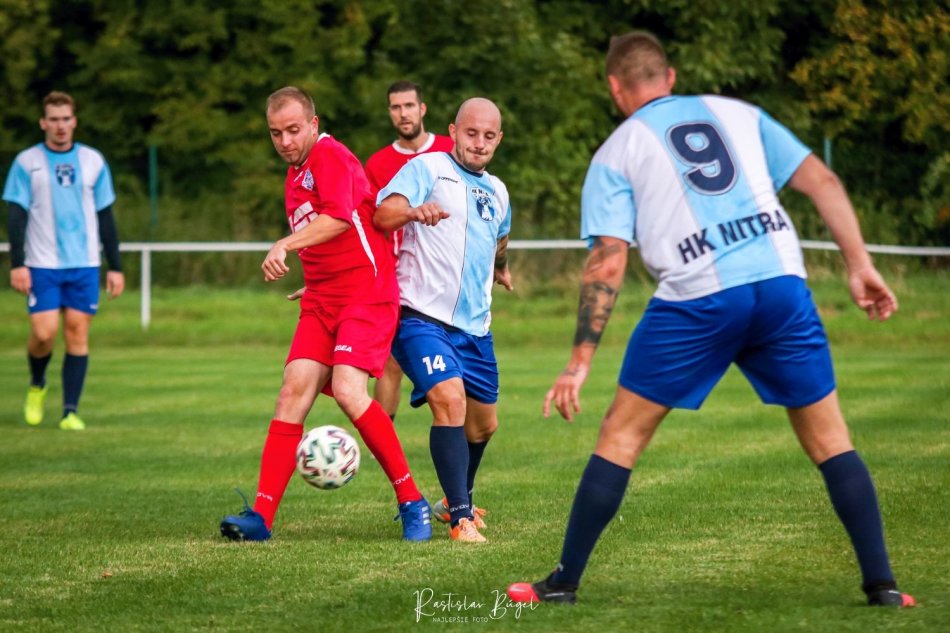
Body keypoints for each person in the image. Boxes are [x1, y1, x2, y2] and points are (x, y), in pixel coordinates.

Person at [507, 31, 914, 607]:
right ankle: (884, 587)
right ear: (670, 77)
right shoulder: (739, 113)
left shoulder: (616, 152)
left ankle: (563, 583)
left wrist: (579, 361)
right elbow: (823, 181)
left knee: (621, 435)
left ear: (615, 88)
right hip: (780, 286)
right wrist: (860, 265)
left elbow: (609, 260)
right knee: (831, 439)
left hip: (698, 299)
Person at [219, 86, 431, 543]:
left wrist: (283, 245)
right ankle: (261, 518)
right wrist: (315, 281)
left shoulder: (330, 156)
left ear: (313, 125)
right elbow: (327, 237)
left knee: (351, 392)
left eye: (293, 130)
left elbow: (337, 218)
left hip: (366, 295)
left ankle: (413, 501)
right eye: (276, 133)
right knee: (291, 392)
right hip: (322, 299)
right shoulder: (294, 175)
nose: (285, 141)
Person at [374, 97, 513, 543]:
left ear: (498, 139)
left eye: (488, 136)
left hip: (476, 328)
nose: (479, 143)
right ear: (453, 131)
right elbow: (383, 214)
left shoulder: (498, 191)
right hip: (421, 317)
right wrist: (414, 211)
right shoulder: (427, 169)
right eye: (471, 133)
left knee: (483, 425)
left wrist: (501, 267)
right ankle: (460, 519)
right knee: (449, 400)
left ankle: (456, 499)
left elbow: (500, 238)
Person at [3, 91, 124, 431]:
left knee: (77, 333)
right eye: (54, 119)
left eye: (65, 119)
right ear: (43, 123)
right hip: (41, 263)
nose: (60, 125)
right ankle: (37, 384)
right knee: (44, 334)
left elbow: (105, 216)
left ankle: (70, 411)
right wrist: (17, 263)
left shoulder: (93, 160)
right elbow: (16, 216)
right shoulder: (27, 162)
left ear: (74, 121)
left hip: (84, 263)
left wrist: (115, 266)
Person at [365, 81, 454, 424]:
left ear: (422, 108)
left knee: (454, 358)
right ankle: (380, 441)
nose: (403, 113)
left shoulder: (450, 150)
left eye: (409, 106)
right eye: (396, 107)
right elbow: (373, 224)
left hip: (448, 274)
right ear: (389, 112)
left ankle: (456, 431)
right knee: (392, 361)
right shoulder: (378, 164)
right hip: (401, 278)